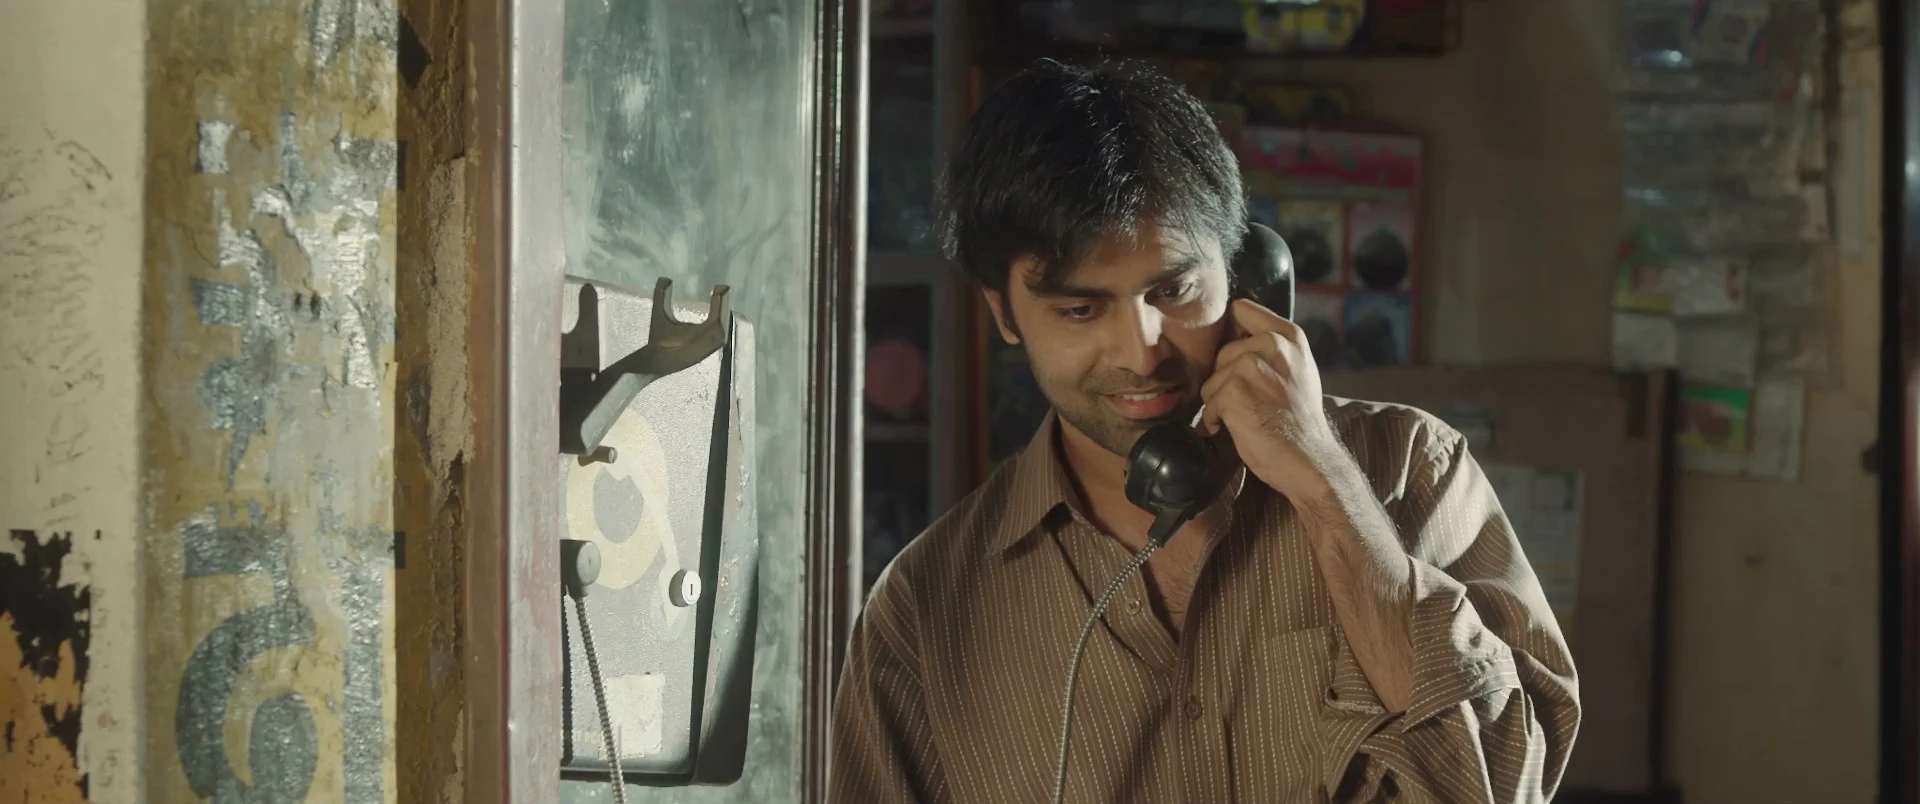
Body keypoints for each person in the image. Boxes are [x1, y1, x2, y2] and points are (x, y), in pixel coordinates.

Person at [831, 59, 1579, 803]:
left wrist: (1326, 489)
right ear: (1004, 313)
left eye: (1175, 289)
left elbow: (1503, 789)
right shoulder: (923, 612)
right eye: (1080, 310)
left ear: (1246, 275)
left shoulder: (1413, 470)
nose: (1141, 352)